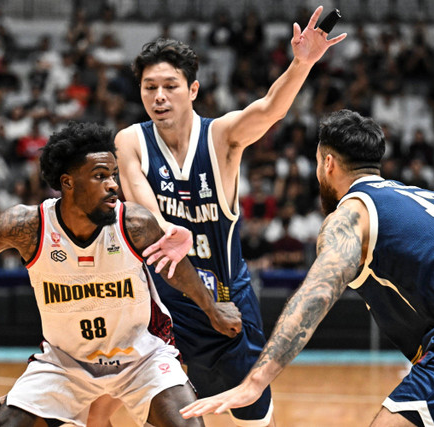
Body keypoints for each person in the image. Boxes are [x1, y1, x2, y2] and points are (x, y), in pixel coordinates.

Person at [0, 121, 242, 427]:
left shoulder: (133, 223)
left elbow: (174, 267)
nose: (113, 185)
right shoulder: (28, 226)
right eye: (100, 176)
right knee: (8, 423)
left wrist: (212, 308)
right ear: (68, 183)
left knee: (187, 422)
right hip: (65, 363)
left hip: (142, 358)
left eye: (114, 175)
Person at [180, 110, 434, 427]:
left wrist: (256, 381)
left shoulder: (351, 215)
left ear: (327, 163)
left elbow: (316, 293)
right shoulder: (425, 197)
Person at [113, 6, 345, 426]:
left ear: (193, 89)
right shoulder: (131, 140)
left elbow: (271, 110)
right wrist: (167, 231)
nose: (159, 97)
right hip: (165, 302)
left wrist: (302, 63)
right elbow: (140, 203)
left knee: (252, 411)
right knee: (163, 412)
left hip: (225, 296)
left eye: (170, 86)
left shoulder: (221, 136)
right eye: (149, 88)